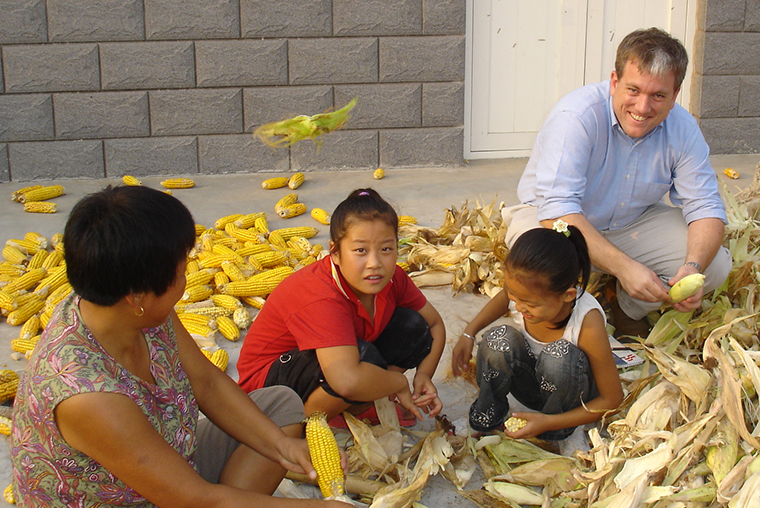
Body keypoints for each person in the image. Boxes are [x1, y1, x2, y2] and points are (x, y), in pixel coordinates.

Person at [10, 185, 349, 507]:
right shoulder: (86, 396)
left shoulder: (127, 306)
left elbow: (207, 382)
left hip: (169, 457)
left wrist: (284, 448)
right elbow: (194, 501)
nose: (186, 282)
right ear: (138, 296)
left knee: (280, 405)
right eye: (182, 271)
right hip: (132, 499)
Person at [505, 27, 731, 336]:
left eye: (658, 96)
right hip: (553, 225)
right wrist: (625, 268)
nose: (642, 108)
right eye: (634, 90)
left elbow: (706, 207)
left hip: (630, 223)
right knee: (542, 296)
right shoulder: (576, 116)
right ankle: (564, 321)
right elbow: (557, 209)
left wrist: (692, 268)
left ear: (675, 95)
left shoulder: (683, 128)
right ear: (614, 82)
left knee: (714, 265)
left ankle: (625, 305)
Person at [237, 188, 446, 424]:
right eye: (360, 251)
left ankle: (362, 403)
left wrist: (424, 376)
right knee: (363, 362)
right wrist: (398, 383)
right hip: (266, 388)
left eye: (386, 249)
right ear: (335, 253)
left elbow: (435, 325)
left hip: (334, 364)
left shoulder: (393, 278)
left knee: (413, 326)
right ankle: (309, 421)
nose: (374, 263)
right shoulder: (320, 294)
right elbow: (346, 380)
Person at [451, 223, 624, 443]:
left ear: (568, 296)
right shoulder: (522, 295)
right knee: (498, 340)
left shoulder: (587, 322)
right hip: (535, 386)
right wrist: (468, 333)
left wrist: (550, 422)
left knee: (558, 356)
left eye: (529, 303)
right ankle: (486, 416)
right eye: (514, 295)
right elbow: (504, 297)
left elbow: (612, 398)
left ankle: (560, 432)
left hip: (573, 396)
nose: (519, 307)